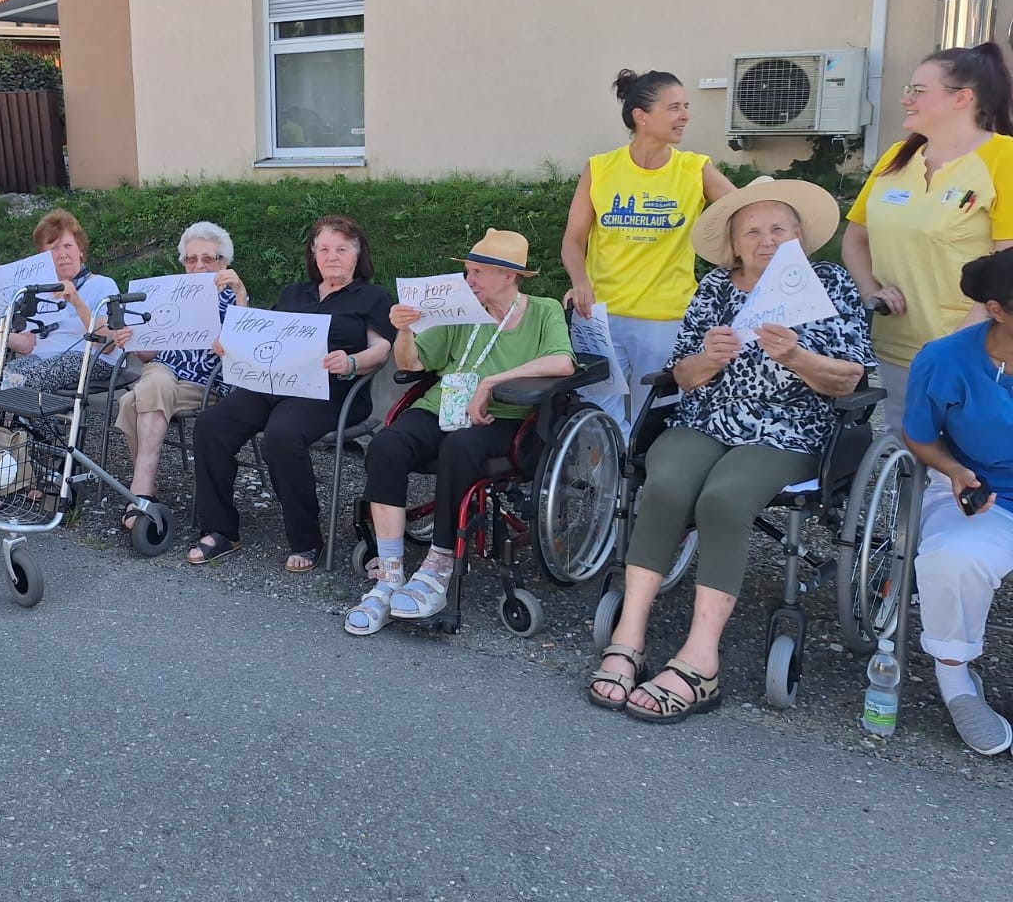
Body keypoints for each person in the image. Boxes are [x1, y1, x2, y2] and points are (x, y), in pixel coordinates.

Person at [588, 177, 874, 722]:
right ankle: (629, 635)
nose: (767, 241)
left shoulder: (829, 283)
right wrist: (708, 359)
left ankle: (701, 660)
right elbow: (681, 375)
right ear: (735, 244)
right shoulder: (717, 287)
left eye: (779, 229)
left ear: (798, 236)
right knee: (665, 486)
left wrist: (797, 358)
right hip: (708, 418)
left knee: (724, 498)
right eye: (753, 232)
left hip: (790, 428)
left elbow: (849, 379)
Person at [346, 230, 575, 632]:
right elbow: (412, 363)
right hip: (443, 406)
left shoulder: (543, 310)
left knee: (460, 446)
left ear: (509, 276)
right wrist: (404, 331)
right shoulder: (460, 309)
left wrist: (491, 383)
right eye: (468, 271)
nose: (468, 280)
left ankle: (439, 562)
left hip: (506, 416)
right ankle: (390, 573)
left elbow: (562, 363)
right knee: (386, 445)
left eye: (477, 273)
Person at [187, 215, 394, 573]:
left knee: (282, 435)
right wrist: (231, 342)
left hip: (332, 392)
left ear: (358, 254)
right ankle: (221, 530)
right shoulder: (295, 293)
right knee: (210, 426)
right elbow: (264, 334)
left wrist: (351, 361)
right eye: (324, 249)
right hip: (275, 382)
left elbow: (381, 350)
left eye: (341, 249)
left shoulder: (373, 297)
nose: (332, 256)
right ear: (313, 254)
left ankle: (305, 538)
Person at [843, 42, 1013, 433]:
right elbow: (855, 239)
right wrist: (871, 290)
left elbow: (1008, 270)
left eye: (918, 91)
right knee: (906, 446)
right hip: (896, 344)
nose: (906, 99)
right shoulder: (896, 157)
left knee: (968, 454)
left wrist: (953, 348)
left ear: (962, 99)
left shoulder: (1003, 158)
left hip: (975, 348)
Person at [561, 69, 734, 436]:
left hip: (665, 319)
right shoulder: (600, 168)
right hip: (599, 317)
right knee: (597, 418)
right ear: (641, 115)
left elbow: (744, 213)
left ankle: (645, 475)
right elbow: (573, 240)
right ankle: (607, 475)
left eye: (686, 106)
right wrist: (580, 282)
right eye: (674, 107)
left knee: (652, 419)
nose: (685, 115)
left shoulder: (695, 168)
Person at [902, 249, 1013, 755]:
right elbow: (920, 435)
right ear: (996, 310)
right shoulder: (945, 359)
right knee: (952, 558)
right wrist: (953, 470)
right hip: (984, 491)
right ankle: (956, 680)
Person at [114, 221, 249, 530]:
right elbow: (148, 355)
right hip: (162, 371)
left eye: (208, 258)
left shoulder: (234, 297)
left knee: (130, 401)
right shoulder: (168, 294)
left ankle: (142, 490)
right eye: (191, 259)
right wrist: (132, 340)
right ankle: (144, 488)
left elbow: (244, 351)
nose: (199, 265)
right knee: (157, 380)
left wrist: (241, 294)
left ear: (223, 263)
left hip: (205, 382)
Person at [0, 208, 127, 393]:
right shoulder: (39, 291)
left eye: (68, 246)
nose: (62, 254)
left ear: (80, 250)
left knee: (36, 376)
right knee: (0, 374)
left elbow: (107, 343)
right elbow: (28, 345)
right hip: (42, 357)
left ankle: (30, 412)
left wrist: (76, 301)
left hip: (90, 357)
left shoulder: (102, 285)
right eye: (54, 248)